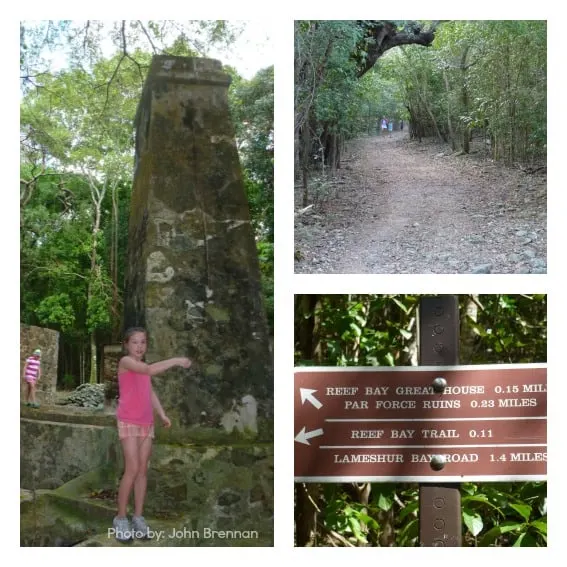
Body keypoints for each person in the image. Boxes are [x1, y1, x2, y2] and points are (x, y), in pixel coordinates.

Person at [112, 327, 192, 543]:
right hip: (128, 421)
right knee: (133, 468)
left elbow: (149, 391)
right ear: (127, 345)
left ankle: (138, 517)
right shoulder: (126, 362)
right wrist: (175, 360)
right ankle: (120, 518)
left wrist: (162, 414)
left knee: (142, 471)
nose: (139, 346)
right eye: (135, 342)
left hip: (146, 423)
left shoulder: (142, 368)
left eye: (143, 342)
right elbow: (148, 371)